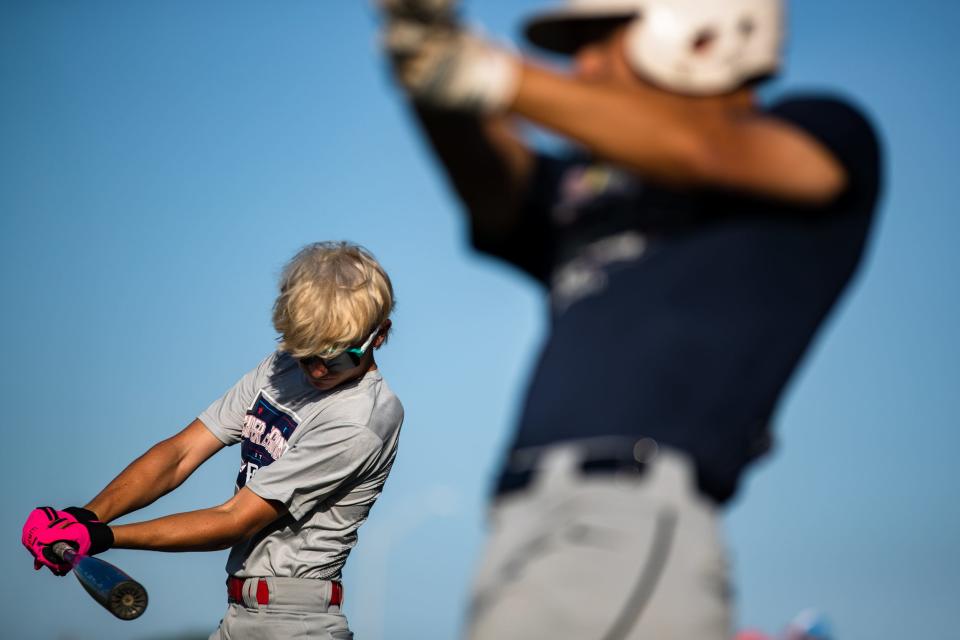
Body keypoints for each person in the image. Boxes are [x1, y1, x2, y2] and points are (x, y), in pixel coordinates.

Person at [379, 0, 881, 638]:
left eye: (598, 39)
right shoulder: (595, 184)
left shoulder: (823, 129)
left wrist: (489, 73)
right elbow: (494, 181)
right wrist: (427, 61)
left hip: (629, 511)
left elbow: (705, 148)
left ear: (702, 32)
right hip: (525, 518)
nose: (581, 67)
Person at [21, 241, 403, 640]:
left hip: (296, 624)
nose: (318, 370)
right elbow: (182, 453)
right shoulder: (283, 367)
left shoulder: (361, 419)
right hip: (239, 615)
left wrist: (103, 538)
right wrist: (84, 518)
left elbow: (233, 520)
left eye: (335, 357)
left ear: (379, 335)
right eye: (307, 354)